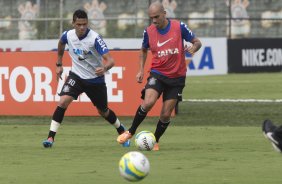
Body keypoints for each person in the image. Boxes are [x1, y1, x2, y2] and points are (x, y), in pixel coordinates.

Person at [117, 1, 202, 151]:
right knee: (148, 102)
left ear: (164, 13)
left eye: (157, 16)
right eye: (151, 18)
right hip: (158, 73)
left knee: (165, 113)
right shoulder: (148, 32)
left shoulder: (179, 27)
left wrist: (193, 48)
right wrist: (141, 70)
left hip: (177, 78)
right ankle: (130, 131)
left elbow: (197, 42)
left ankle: (154, 140)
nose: (154, 20)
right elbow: (143, 50)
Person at [42, 9, 130, 148]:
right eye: (79, 24)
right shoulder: (68, 35)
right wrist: (59, 63)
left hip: (95, 80)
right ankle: (50, 138)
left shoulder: (95, 38)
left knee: (103, 111)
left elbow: (111, 61)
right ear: (73, 23)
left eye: (84, 24)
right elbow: (60, 43)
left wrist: (105, 68)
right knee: (63, 101)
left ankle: (121, 130)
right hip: (76, 76)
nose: (82, 27)